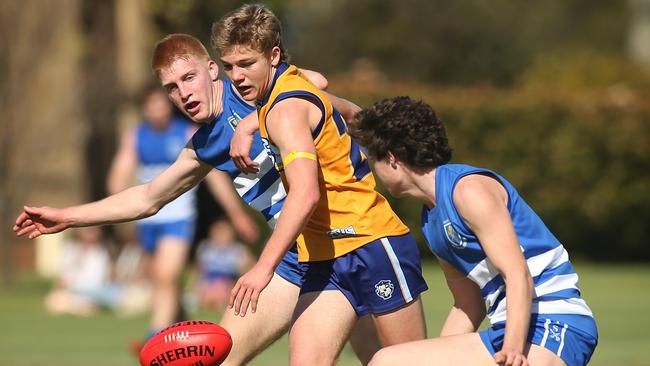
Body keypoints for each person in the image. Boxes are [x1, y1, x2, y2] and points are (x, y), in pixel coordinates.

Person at [14, 33, 380, 365]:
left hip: (346, 239)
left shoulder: (249, 89)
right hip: (290, 257)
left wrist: (255, 121)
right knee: (219, 358)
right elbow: (147, 197)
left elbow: (315, 81)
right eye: (171, 88)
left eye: (188, 78)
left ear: (212, 69)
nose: (183, 94)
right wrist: (66, 217)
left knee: (381, 359)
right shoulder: (204, 146)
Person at [212, 4, 428, 365]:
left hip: (372, 245)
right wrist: (250, 125)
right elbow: (351, 111)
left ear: (274, 55)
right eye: (229, 66)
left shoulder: (284, 109)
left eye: (246, 63)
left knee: (405, 361)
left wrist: (262, 268)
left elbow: (306, 194)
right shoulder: (289, 87)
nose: (236, 75)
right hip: (325, 258)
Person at [348, 96, 599, 366]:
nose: (373, 170)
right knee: (387, 361)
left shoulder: (468, 191)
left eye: (374, 159)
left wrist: (512, 350)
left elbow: (518, 274)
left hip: (555, 323)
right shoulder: (432, 221)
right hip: (506, 331)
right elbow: (468, 304)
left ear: (393, 159)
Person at [106, 84, 259, 342]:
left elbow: (214, 178)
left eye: (161, 104)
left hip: (179, 220)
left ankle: (155, 339)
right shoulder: (136, 137)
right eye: (151, 105)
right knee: (162, 281)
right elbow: (118, 177)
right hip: (148, 221)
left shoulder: (187, 133)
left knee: (166, 276)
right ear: (144, 109)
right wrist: (119, 209)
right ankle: (185, 329)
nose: (157, 110)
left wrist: (236, 213)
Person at [44, 226, 112, 316]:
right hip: (71, 291)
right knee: (56, 301)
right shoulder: (69, 249)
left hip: (91, 292)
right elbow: (62, 275)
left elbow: (100, 279)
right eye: (89, 231)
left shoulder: (101, 252)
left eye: (95, 230)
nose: (92, 234)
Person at [194, 218, 254, 310]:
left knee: (222, 290)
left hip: (229, 280)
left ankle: (219, 302)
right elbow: (199, 270)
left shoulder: (238, 250)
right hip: (209, 281)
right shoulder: (206, 248)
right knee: (210, 293)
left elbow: (247, 269)